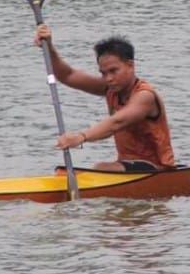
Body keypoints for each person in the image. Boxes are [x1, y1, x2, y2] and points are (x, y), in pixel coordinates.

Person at [34, 25, 178, 171]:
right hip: (128, 165)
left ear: (130, 65)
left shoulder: (145, 96)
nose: (108, 78)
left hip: (157, 169)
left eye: (113, 71)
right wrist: (49, 48)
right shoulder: (111, 88)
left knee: (101, 167)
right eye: (103, 73)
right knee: (100, 168)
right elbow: (67, 75)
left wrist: (80, 137)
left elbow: (116, 122)